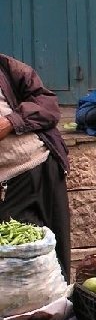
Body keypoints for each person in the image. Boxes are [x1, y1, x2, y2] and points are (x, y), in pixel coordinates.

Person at [0, 54, 70, 280]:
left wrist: (11, 122)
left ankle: (61, 309)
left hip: (44, 163)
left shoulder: (7, 68)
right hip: (9, 181)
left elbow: (48, 106)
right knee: (18, 263)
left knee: (56, 254)